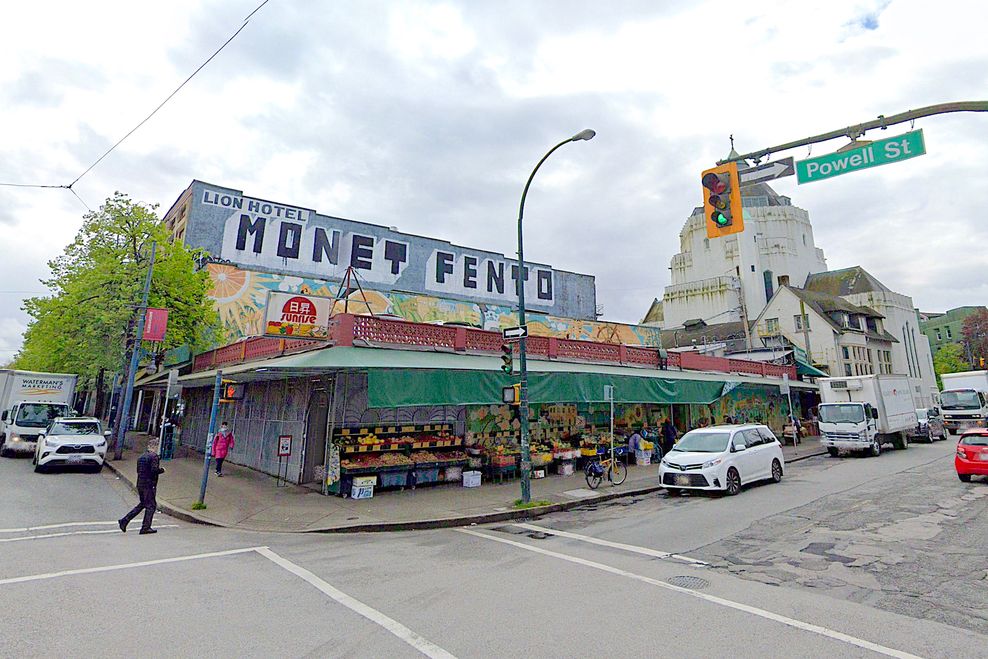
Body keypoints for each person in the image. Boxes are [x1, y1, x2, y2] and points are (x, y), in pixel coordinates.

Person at [118, 440, 165, 535]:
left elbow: (138, 470)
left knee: (143, 503)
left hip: (140, 483)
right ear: (155, 447)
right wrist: (161, 470)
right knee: (151, 506)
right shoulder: (154, 457)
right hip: (149, 484)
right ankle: (145, 527)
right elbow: (154, 470)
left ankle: (125, 520)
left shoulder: (141, 457)